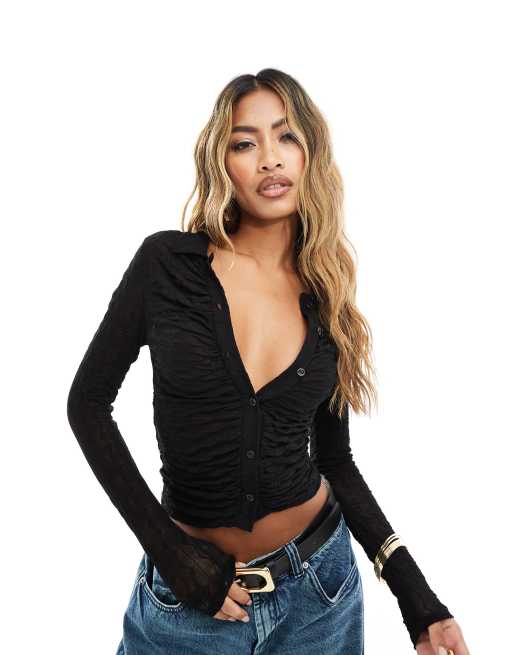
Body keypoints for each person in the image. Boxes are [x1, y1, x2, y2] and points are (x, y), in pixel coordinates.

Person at [66, 68, 470, 654]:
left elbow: (335, 461)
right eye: (244, 143)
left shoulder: (326, 296)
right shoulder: (166, 266)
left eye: (286, 137)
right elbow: (87, 404)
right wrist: (169, 551)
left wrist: (419, 601)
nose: (269, 159)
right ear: (221, 162)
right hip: (188, 605)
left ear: (310, 154)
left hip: (319, 596)